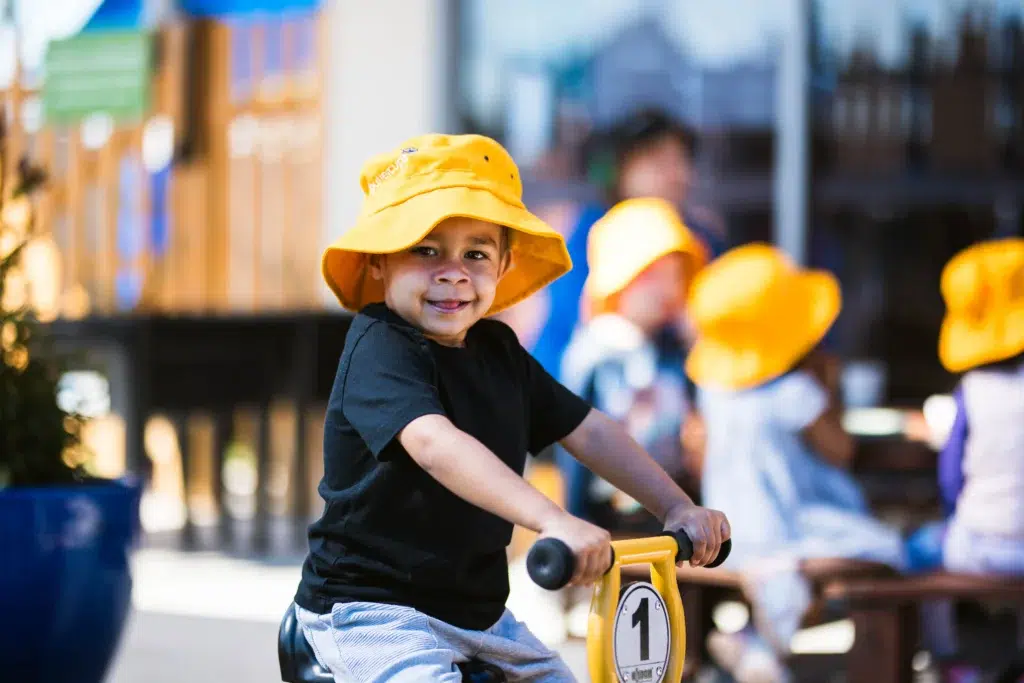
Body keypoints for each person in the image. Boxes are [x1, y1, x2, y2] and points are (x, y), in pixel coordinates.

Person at [291, 133, 731, 683]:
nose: (453, 271)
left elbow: (590, 430)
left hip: (477, 616)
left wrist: (675, 506)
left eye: (476, 253)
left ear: (502, 267)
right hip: (372, 610)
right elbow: (434, 444)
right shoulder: (381, 343)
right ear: (380, 261)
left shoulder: (499, 351)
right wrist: (553, 519)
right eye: (426, 250)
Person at [687, 244, 906, 683]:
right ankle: (763, 642)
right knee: (890, 549)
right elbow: (840, 450)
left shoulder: (713, 390)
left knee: (796, 577)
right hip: (787, 529)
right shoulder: (794, 393)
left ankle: (755, 645)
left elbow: (699, 453)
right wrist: (829, 388)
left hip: (724, 527)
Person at [529, 107, 727, 379]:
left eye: (681, 160)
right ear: (620, 170)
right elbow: (566, 326)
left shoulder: (700, 237)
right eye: (657, 162)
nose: (675, 174)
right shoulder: (591, 230)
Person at [907, 239, 1024, 681]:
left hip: (978, 546)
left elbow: (950, 477)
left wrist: (958, 512)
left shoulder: (972, 390)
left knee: (916, 552)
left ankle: (948, 657)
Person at [556, 197, 708, 530]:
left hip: (670, 514)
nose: (668, 289)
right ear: (621, 279)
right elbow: (573, 443)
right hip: (608, 517)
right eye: (653, 275)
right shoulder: (597, 355)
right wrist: (573, 524)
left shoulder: (675, 354)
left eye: (676, 274)